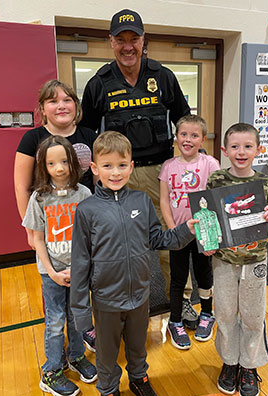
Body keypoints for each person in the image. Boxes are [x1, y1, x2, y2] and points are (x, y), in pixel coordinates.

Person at [70, 131, 199, 396]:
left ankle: (139, 379)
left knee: (139, 346)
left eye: (121, 165)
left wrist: (186, 229)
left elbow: (158, 239)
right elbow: (80, 263)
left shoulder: (141, 201)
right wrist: (81, 312)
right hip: (106, 299)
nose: (115, 173)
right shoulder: (87, 210)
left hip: (140, 296)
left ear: (131, 166)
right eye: (107, 166)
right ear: (95, 168)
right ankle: (108, 390)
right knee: (106, 352)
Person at [80, 9, 192, 311]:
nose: (128, 46)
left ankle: (181, 300)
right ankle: (118, 305)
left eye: (134, 39)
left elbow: (185, 122)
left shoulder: (163, 76)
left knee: (171, 238)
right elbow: (88, 134)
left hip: (160, 173)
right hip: (118, 178)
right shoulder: (99, 83)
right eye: (120, 39)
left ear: (144, 40)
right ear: (111, 42)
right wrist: (94, 176)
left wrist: (190, 163)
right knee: (119, 244)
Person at [14, 79, 97, 353]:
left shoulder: (89, 135)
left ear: (76, 105)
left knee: (80, 294)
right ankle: (55, 349)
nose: (61, 105)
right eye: (53, 101)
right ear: (42, 108)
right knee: (55, 299)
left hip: (81, 230)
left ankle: (81, 337)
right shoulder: (32, 139)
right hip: (51, 232)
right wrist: (30, 231)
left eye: (67, 99)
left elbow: (97, 183)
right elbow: (22, 185)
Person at [206, 123, 268, 396]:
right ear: (225, 151)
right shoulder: (216, 180)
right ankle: (229, 362)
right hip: (224, 261)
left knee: (253, 316)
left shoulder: (266, 184)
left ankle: (249, 366)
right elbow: (209, 219)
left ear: (258, 150)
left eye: (248, 146)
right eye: (235, 147)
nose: (241, 152)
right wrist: (207, 242)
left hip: (255, 261)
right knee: (225, 314)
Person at [22, 135, 97, 396]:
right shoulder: (39, 198)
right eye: (52, 163)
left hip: (79, 271)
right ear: (44, 166)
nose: (60, 168)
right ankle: (52, 370)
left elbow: (90, 236)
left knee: (78, 318)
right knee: (55, 322)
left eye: (64, 161)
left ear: (73, 162)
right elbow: (37, 240)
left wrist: (83, 267)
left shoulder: (84, 194)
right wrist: (52, 272)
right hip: (52, 273)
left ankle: (76, 356)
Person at [159, 115, 220, 349]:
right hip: (180, 233)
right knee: (178, 278)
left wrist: (212, 230)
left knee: (204, 275)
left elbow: (215, 197)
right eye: (183, 134)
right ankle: (175, 321)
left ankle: (206, 313)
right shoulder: (168, 166)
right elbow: (164, 201)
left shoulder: (210, 164)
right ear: (176, 138)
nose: (188, 139)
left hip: (204, 232)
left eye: (194, 135)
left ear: (203, 139)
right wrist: (174, 229)